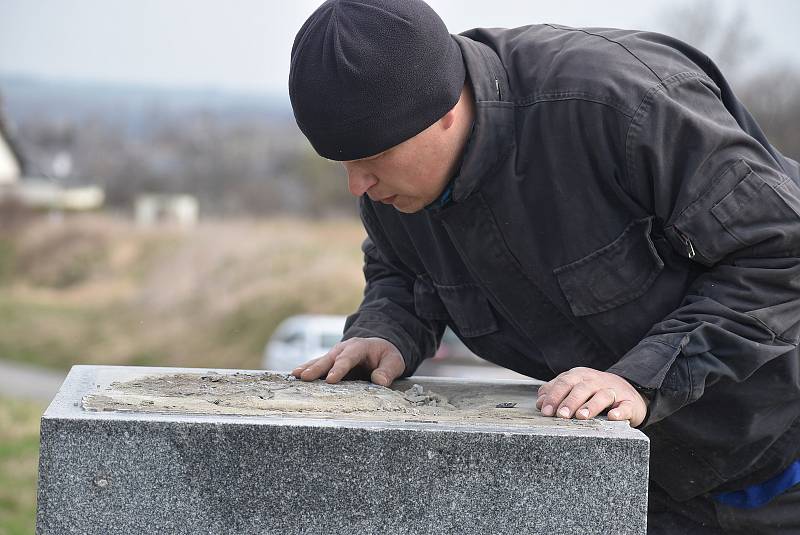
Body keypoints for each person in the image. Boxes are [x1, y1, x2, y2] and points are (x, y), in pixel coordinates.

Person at [287, 0, 800, 532]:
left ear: (442, 111)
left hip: (785, 455)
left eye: (369, 161)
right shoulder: (397, 182)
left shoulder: (623, 106)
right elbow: (403, 270)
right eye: (343, 163)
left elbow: (780, 252)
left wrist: (643, 379)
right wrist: (386, 330)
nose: (357, 186)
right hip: (644, 485)